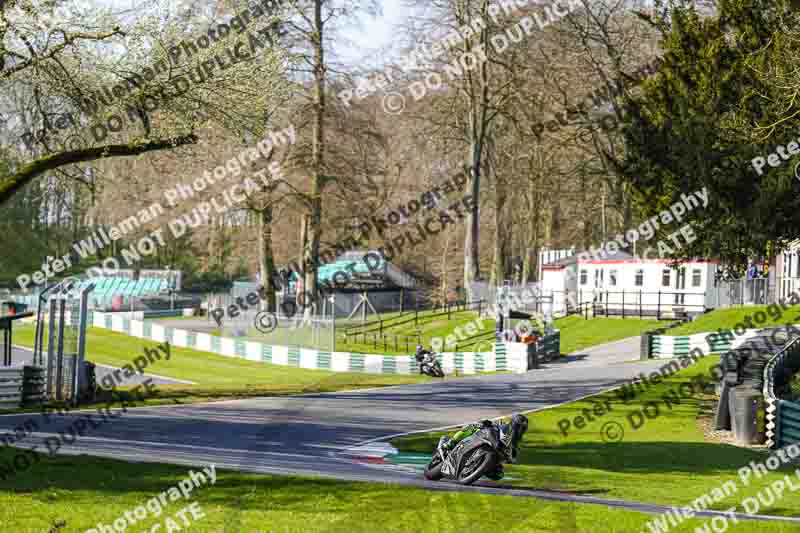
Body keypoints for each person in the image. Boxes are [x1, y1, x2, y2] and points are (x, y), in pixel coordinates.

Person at [439, 414, 529, 480]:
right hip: (485, 438)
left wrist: (511, 458)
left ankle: (480, 468)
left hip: (495, 452)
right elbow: (493, 426)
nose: (520, 430)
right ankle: (450, 442)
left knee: (499, 474)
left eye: (523, 428)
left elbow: (514, 455)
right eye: (518, 426)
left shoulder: (517, 441)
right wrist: (487, 424)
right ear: (513, 424)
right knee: (477, 425)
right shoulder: (504, 426)